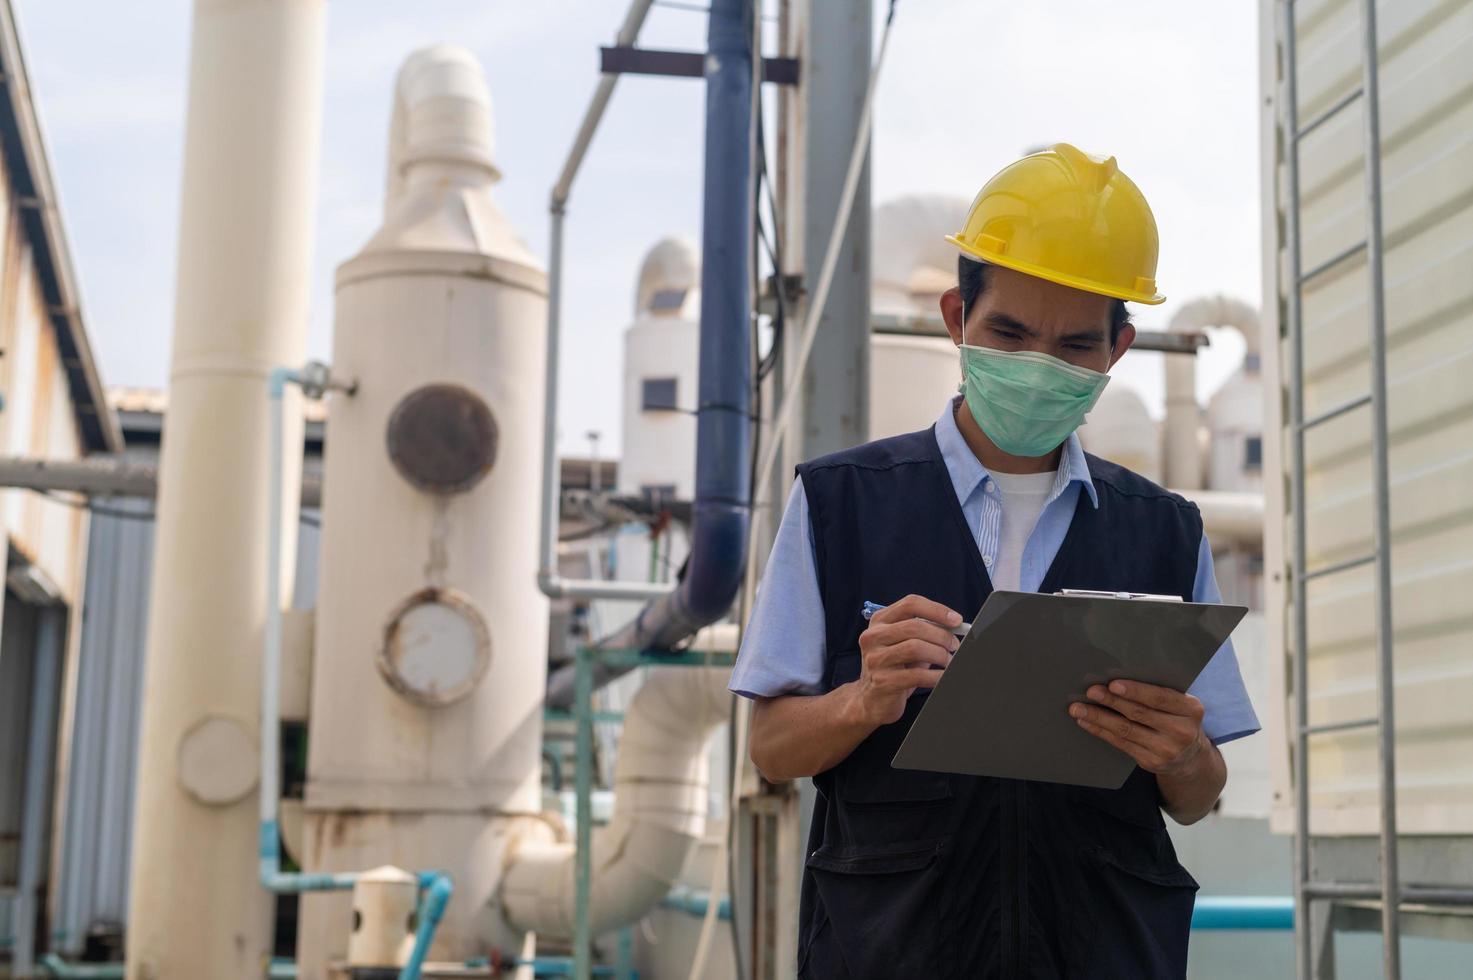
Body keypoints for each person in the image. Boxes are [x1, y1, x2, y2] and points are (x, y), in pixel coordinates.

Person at [729, 143, 1260, 979]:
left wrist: (1181, 755)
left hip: (1099, 947)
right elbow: (769, 749)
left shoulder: (1165, 530)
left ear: (1116, 349)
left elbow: (1197, 799)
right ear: (954, 317)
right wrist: (864, 700)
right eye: (1007, 332)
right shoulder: (842, 503)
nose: (1035, 367)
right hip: (893, 946)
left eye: (1073, 347)